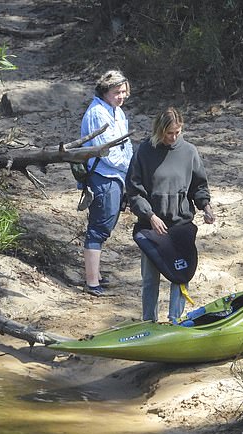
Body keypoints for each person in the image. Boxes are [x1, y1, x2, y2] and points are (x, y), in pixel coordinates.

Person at [126, 107, 216, 322]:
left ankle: (175, 319)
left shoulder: (189, 152)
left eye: (177, 132)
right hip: (152, 227)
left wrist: (206, 207)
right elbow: (134, 191)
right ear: (159, 130)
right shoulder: (144, 152)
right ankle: (149, 321)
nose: (174, 137)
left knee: (181, 277)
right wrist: (150, 215)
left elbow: (199, 185)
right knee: (150, 279)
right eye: (169, 133)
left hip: (180, 226)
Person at [79, 70, 133, 296]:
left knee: (106, 224)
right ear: (105, 91)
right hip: (103, 176)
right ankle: (92, 282)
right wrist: (131, 169)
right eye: (116, 92)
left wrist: (131, 167)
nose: (121, 96)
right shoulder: (97, 114)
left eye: (123, 92)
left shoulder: (117, 112)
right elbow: (107, 154)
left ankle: (97, 274)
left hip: (116, 176)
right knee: (99, 227)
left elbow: (125, 143)